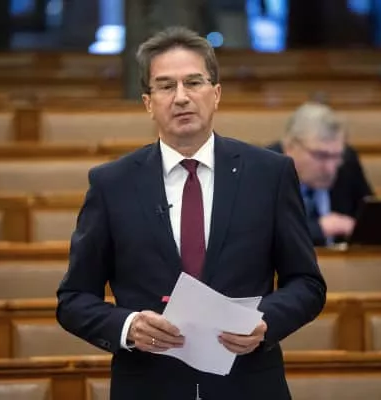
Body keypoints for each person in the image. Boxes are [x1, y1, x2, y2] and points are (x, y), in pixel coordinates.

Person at [56, 26, 326, 400]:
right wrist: (128, 325)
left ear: (216, 94)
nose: (181, 97)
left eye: (194, 82)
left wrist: (265, 322)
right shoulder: (111, 184)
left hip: (248, 385)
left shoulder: (270, 174)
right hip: (150, 386)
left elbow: (307, 284)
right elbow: (73, 299)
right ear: (148, 103)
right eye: (166, 86)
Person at [267, 102, 374, 246]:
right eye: (321, 156)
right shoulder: (265, 169)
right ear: (290, 147)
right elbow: (263, 234)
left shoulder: (347, 162)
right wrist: (319, 229)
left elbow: (372, 217)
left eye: (336, 156)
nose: (330, 168)